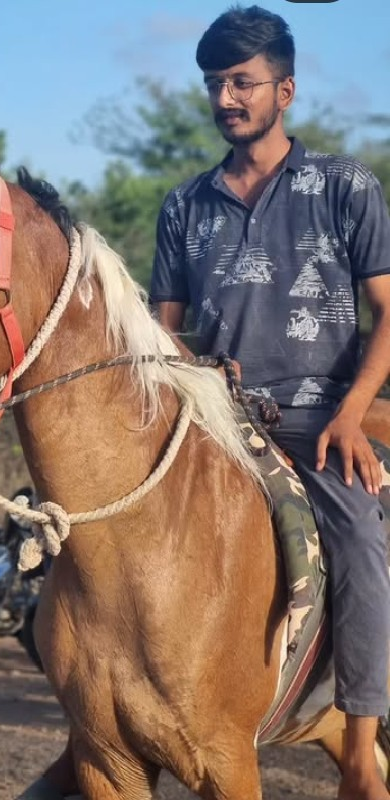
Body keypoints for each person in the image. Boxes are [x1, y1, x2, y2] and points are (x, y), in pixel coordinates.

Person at [149, 6, 390, 799]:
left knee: (359, 534)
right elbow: (164, 337)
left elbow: (389, 310)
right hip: (217, 416)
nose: (226, 98)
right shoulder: (184, 207)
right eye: (216, 84)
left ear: (283, 89)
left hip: (322, 414)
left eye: (242, 82)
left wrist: (354, 412)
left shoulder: (343, 186)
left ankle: (359, 745)